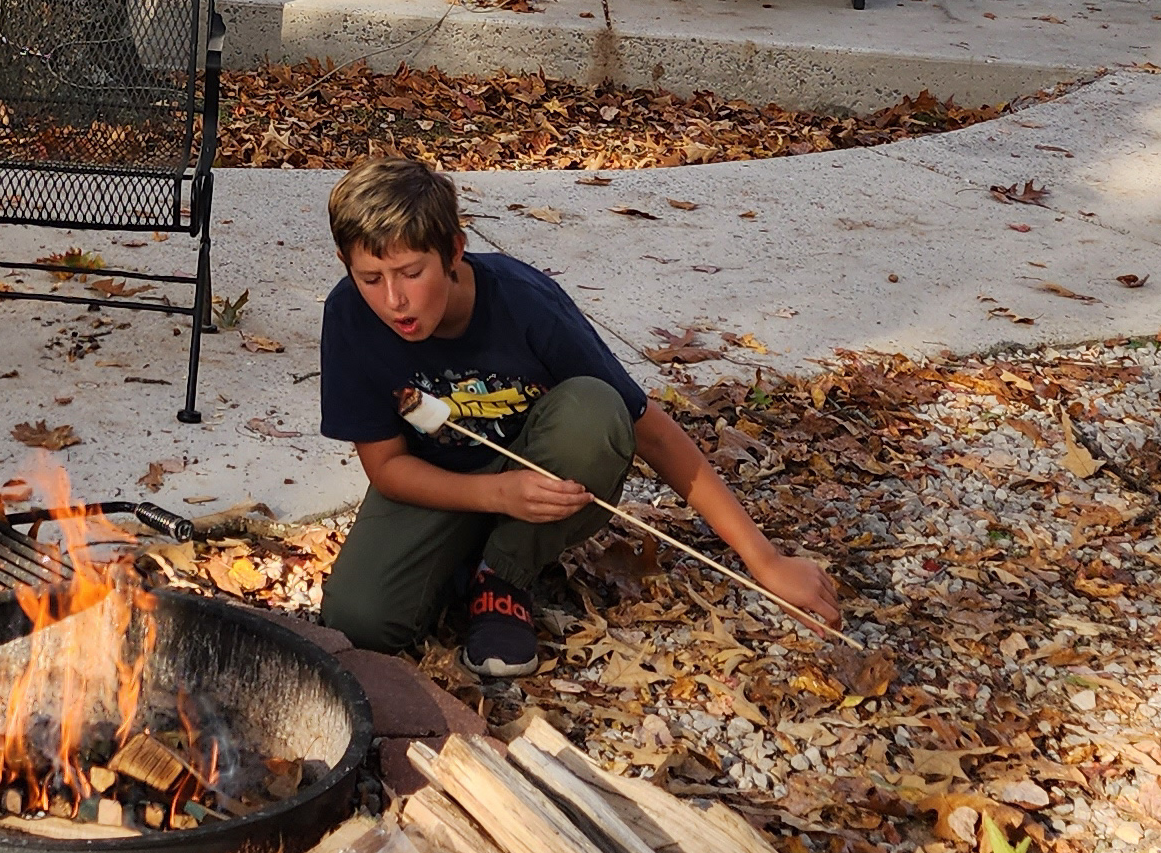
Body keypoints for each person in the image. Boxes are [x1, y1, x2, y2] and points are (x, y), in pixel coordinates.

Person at [311, 155, 839, 678]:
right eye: (371, 278)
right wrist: (497, 495)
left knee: (594, 407)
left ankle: (503, 575)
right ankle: (462, 560)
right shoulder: (350, 316)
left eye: (411, 273)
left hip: (543, 475)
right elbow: (386, 467)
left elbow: (651, 432)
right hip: (442, 485)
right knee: (360, 621)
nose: (394, 300)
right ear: (344, 262)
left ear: (453, 250)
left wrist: (764, 560)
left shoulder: (524, 303)